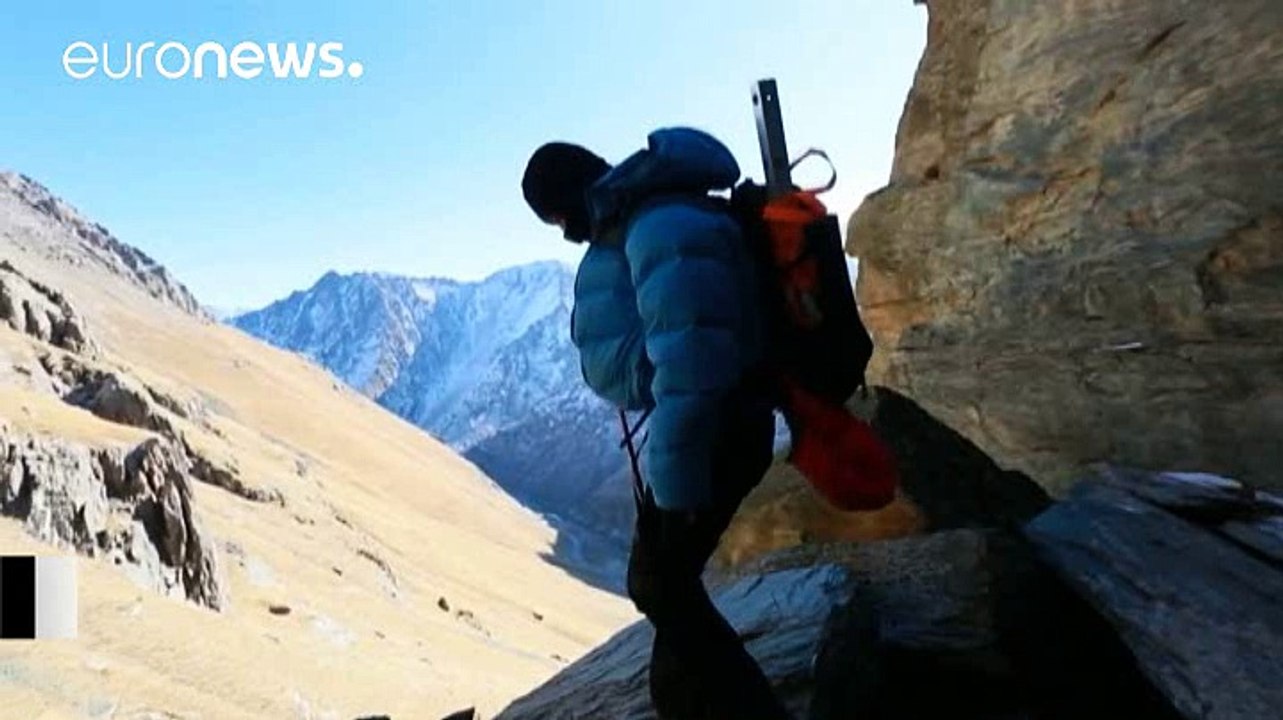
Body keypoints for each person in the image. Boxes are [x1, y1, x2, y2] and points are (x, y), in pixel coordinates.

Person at [521, 128, 791, 720]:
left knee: (660, 583)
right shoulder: (650, 218)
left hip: (716, 428)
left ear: (570, 200)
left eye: (558, 219)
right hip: (718, 425)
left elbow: (692, 362)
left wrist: (676, 491)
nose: (566, 233)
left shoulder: (657, 226)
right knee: (667, 586)